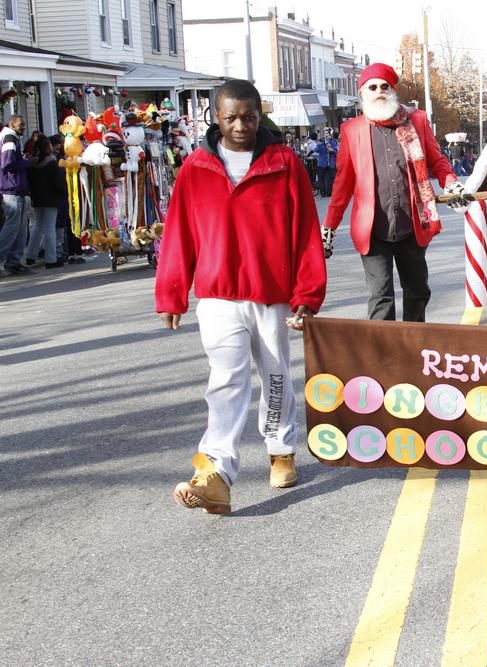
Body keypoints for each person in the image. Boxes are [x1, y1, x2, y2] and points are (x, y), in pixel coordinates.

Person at [155, 79, 327, 515]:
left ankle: (281, 450)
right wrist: (171, 293)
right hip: (217, 296)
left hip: (270, 295)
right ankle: (216, 472)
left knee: (273, 376)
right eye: (231, 117)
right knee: (225, 381)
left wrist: (307, 292)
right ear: (217, 116)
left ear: (259, 115)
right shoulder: (195, 167)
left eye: (249, 117)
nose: (240, 125)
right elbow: (179, 234)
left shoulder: (284, 162)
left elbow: (305, 230)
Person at [322, 63, 465, 322]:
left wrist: (451, 183)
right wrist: (329, 228)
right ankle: (383, 358)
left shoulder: (417, 120)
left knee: (418, 291)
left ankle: (414, 349)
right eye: (372, 87)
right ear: (363, 92)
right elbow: (342, 184)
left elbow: (437, 160)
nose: (379, 91)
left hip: (412, 223)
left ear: (393, 89)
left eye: (384, 86)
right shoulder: (351, 130)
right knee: (380, 297)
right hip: (373, 229)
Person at [0, 114, 36, 277]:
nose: (23, 127)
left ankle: (13, 261)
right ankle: (5, 259)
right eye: (20, 124)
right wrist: (27, 162)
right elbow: (7, 163)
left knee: (20, 229)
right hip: (11, 189)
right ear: (12, 124)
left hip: (16, 188)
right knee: (13, 227)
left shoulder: (11, 138)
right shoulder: (9, 138)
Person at [24, 136, 65, 268]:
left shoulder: (32, 164)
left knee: (37, 226)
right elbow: (57, 183)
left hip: (36, 198)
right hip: (51, 199)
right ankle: (51, 259)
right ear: (48, 147)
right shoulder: (52, 163)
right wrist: (62, 193)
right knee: (49, 228)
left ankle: (30, 256)